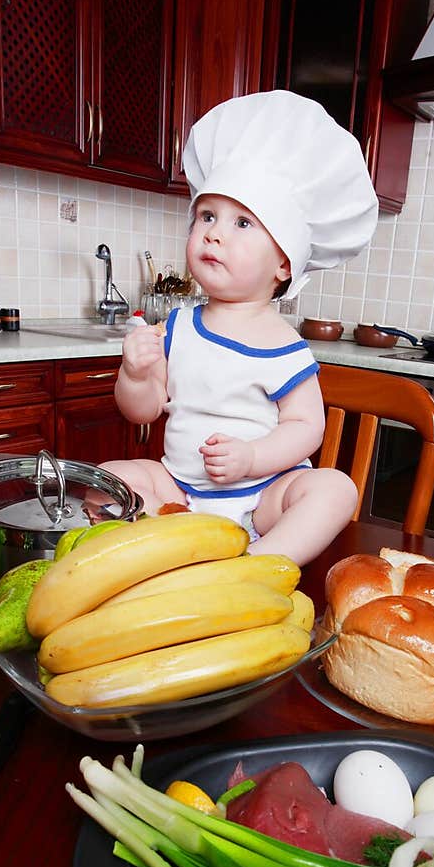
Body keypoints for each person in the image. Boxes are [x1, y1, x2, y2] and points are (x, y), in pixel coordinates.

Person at [101, 90, 379, 566]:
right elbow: (142, 412)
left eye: (243, 222)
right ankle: (167, 553)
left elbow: (307, 428)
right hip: (179, 492)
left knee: (335, 489)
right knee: (108, 476)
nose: (214, 232)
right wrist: (134, 374)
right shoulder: (179, 325)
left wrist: (252, 459)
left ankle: (259, 565)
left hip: (263, 497)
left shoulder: (286, 346)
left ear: (284, 264)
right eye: (207, 216)